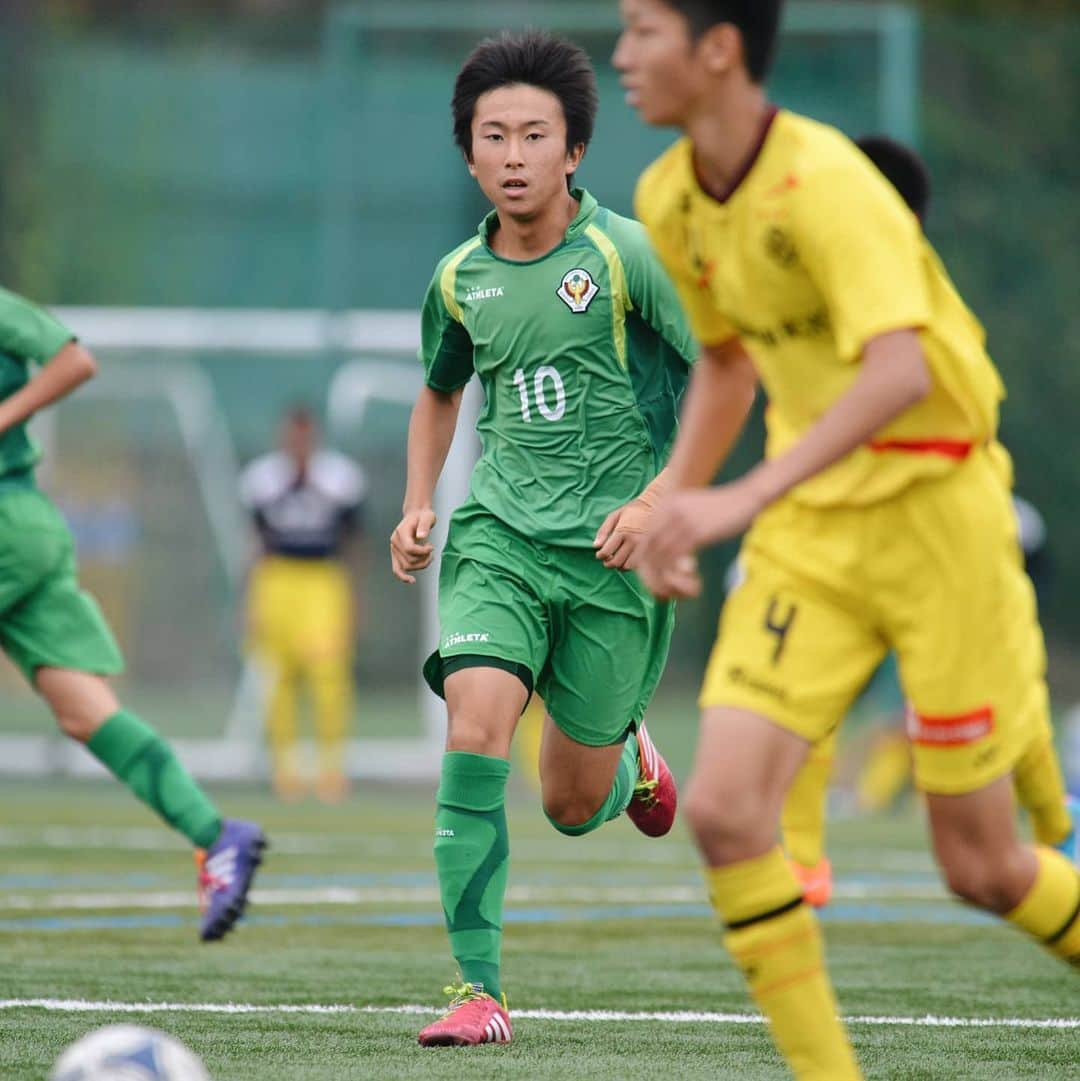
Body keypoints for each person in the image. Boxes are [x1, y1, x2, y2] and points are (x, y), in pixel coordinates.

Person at [614, 1, 1080, 1076]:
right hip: (815, 533)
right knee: (727, 812)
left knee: (983, 865)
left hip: (938, 526)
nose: (623, 57)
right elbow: (728, 364)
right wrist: (672, 496)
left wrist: (734, 502)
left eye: (643, 31)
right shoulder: (668, 196)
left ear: (717, 48)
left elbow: (899, 372)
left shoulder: (828, 183)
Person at [390, 29, 695, 1048]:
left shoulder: (627, 255)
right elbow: (437, 393)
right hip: (499, 539)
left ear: (574, 151)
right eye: (493, 135)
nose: (513, 153)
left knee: (570, 800)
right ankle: (479, 991)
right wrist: (418, 499)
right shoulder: (458, 277)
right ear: (467, 153)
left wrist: (659, 499)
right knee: (475, 724)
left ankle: (631, 765)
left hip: (613, 563)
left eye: (535, 134)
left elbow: (725, 382)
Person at [777, 137, 1079, 907]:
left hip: (945, 540)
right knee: (791, 704)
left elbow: (934, 401)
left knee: (988, 827)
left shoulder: (912, 303)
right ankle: (803, 855)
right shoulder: (810, 285)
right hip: (836, 536)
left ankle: (1057, 827)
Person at [0, 285, 264, 942]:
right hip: (27, 525)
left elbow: (73, 360)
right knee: (84, 710)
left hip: (8, 520)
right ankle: (215, 834)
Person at [240, 405, 367, 803]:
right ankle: (286, 772)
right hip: (277, 578)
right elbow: (254, 543)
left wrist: (354, 597)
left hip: (322, 580)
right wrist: (248, 601)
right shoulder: (261, 479)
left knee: (328, 675)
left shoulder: (340, 479)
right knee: (276, 678)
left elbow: (354, 542)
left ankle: (331, 770)